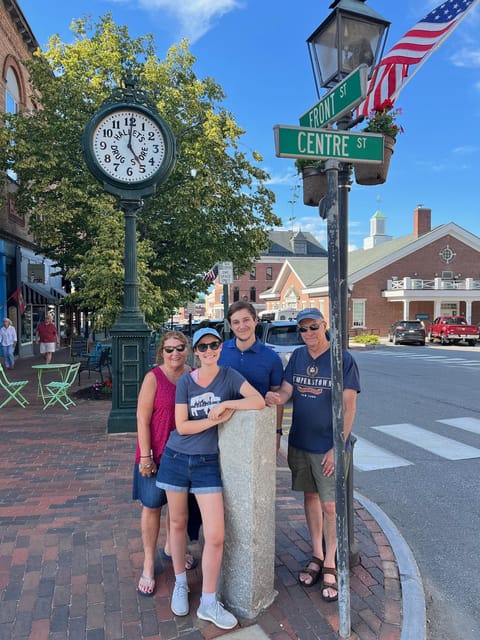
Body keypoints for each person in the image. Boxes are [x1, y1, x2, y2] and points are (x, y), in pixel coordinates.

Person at [156, 327, 264, 629]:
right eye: (202, 347)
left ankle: (208, 600)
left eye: (213, 345)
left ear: (220, 347)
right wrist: (211, 419)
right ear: (196, 352)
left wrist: (228, 404)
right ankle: (180, 583)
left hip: (206, 463)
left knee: (215, 534)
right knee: (177, 524)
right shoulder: (186, 383)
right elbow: (182, 426)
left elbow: (256, 401)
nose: (208, 351)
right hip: (177, 458)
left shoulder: (229, 377)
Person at [265, 308, 360, 602]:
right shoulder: (297, 357)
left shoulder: (343, 360)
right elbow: (286, 390)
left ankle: (331, 562)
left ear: (325, 325)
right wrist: (273, 398)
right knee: (310, 498)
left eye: (313, 327)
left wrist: (337, 444)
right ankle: (316, 555)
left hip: (327, 447)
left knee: (330, 506)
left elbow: (349, 407)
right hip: (301, 442)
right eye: (303, 329)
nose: (308, 334)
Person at [133, 330, 201, 597]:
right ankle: (149, 562)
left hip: (184, 454)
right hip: (156, 453)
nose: (175, 353)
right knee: (152, 506)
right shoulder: (153, 378)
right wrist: (146, 455)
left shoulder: (194, 375)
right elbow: (142, 418)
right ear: (161, 351)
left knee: (178, 509)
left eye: (180, 348)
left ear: (187, 350)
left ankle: (173, 548)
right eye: (169, 349)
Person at [219, 301, 284, 449]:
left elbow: (277, 399)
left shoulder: (271, 357)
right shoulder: (219, 353)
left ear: (255, 321)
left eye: (246, 320)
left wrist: (277, 433)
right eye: (236, 322)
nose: (241, 326)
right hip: (223, 427)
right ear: (230, 325)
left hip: (258, 429)